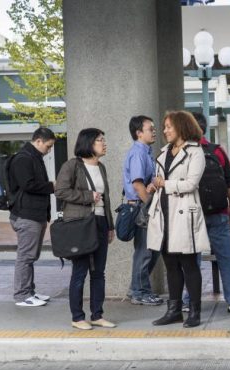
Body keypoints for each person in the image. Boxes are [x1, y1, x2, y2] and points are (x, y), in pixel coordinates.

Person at [147, 111, 210, 328]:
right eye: (164, 127)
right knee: (170, 265)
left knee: (189, 264)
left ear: (181, 127)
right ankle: (173, 310)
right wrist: (155, 185)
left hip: (183, 213)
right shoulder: (164, 152)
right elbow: (160, 181)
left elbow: (191, 184)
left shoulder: (195, 152)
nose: (164, 131)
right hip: (164, 214)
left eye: (168, 127)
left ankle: (194, 311)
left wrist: (165, 184)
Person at [55, 128, 116, 330]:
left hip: (99, 223)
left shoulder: (102, 167)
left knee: (99, 272)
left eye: (103, 140)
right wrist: (87, 197)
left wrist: (110, 225)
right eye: (100, 140)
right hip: (80, 225)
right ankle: (78, 317)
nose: (104, 143)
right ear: (89, 143)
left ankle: (97, 314)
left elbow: (106, 200)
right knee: (80, 271)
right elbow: (61, 191)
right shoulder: (72, 165)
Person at [181, 112, 230, 313]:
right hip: (219, 212)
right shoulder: (217, 151)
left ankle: (189, 300)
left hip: (191, 214)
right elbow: (229, 183)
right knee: (226, 257)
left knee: (192, 260)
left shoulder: (182, 152)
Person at [9, 127, 56, 307]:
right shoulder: (23, 158)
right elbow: (28, 185)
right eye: (48, 146)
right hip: (26, 215)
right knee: (26, 256)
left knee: (30, 256)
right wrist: (51, 186)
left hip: (34, 214)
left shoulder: (33, 157)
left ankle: (29, 291)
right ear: (38, 141)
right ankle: (22, 295)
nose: (49, 150)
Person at [123, 115, 163, 306]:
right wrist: (149, 208)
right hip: (142, 207)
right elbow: (138, 185)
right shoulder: (138, 153)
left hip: (143, 205)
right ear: (139, 133)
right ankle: (140, 292)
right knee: (145, 251)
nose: (154, 131)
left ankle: (136, 289)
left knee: (151, 250)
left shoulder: (146, 151)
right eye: (150, 128)